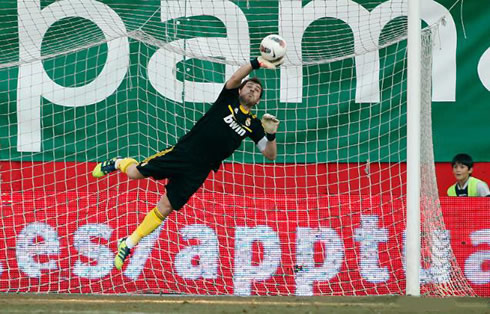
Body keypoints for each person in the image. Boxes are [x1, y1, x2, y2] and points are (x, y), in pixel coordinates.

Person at [92, 56, 283, 270]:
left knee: (165, 208)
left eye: (256, 91)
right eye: (249, 86)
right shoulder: (228, 99)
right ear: (240, 90)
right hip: (184, 153)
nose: (252, 90)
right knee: (135, 173)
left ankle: (128, 243)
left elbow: (270, 154)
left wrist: (271, 134)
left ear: (258, 101)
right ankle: (118, 162)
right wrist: (256, 63)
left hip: (200, 170)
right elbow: (235, 77)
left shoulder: (254, 124)